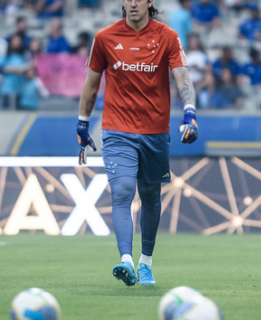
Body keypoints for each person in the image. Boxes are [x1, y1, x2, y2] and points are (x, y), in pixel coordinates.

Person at [76, 0, 198, 287]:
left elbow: (182, 78)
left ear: (149, 2)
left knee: (150, 196)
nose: (132, 2)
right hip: (117, 130)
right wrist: (82, 122)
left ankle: (146, 262)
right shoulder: (104, 38)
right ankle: (126, 261)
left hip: (155, 132)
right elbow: (92, 84)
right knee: (123, 191)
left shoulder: (167, 36)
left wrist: (190, 112)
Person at [0, 34, 29, 109]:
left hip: (19, 91)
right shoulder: (6, 56)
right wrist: (15, 69)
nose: (16, 43)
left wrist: (17, 70)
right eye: (14, 40)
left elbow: (26, 70)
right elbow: (0, 65)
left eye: (18, 41)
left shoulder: (23, 56)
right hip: (6, 91)